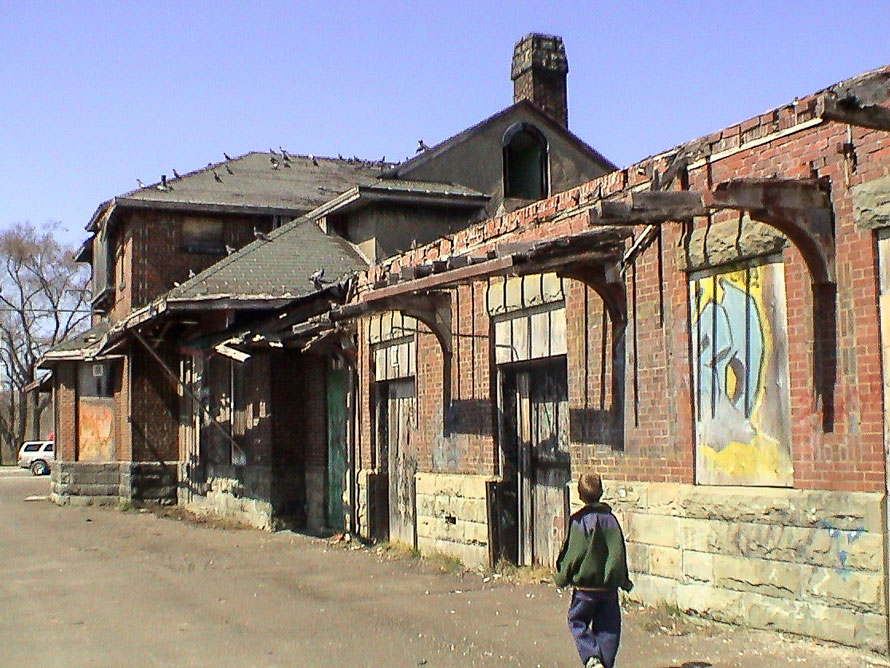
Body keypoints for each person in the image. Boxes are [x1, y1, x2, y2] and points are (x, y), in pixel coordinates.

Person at [555, 472, 633, 668]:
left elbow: (573, 553)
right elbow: (618, 554)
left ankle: (591, 657)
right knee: (608, 628)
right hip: (608, 589)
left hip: (585, 589)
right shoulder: (612, 521)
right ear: (602, 492)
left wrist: (562, 577)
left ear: (580, 494)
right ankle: (604, 663)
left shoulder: (579, 522)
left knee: (577, 620)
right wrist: (624, 581)